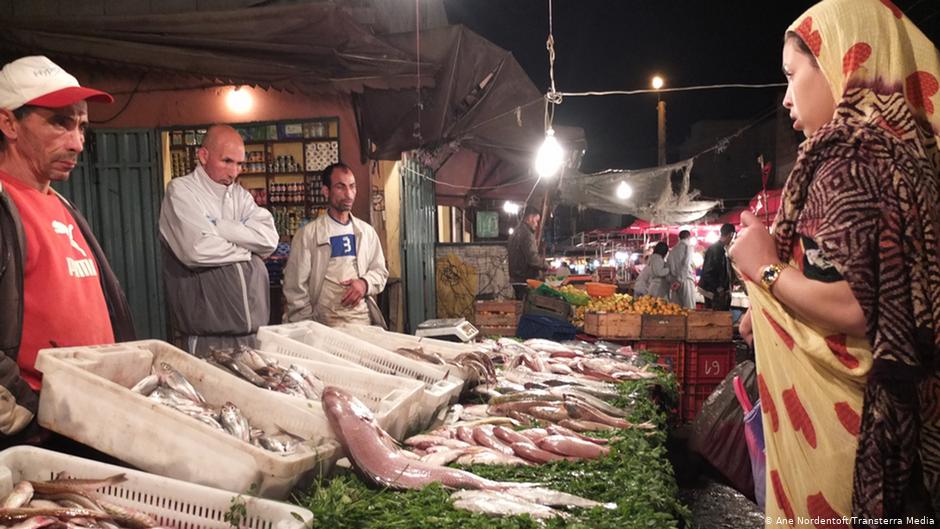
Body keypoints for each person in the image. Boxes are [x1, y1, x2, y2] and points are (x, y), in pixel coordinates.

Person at [729, 0, 939, 522]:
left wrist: (765, 269)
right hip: (907, 432)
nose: (785, 98)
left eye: (792, 74)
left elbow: (857, 308)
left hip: (855, 437)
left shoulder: (850, 156)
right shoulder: (913, 155)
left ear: (841, 63)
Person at [0, 56, 135, 439]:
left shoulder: (62, 204)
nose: (77, 143)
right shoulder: (4, 204)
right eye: (60, 122)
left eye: (81, 126)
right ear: (8, 122)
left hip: (92, 416)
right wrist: (27, 410)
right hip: (40, 427)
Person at [159, 124, 278, 357]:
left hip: (251, 335)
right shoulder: (181, 192)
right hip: (208, 338)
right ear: (203, 156)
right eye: (227, 161)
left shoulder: (240, 196)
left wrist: (221, 228)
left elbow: (269, 239)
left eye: (239, 163)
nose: (234, 172)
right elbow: (197, 249)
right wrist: (249, 253)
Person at [283, 163, 388, 327]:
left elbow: (380, 272)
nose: (349, 194)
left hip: (362, 323)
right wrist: (307, 327)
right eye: (341, 187)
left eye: (352, 187)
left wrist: (364, 283)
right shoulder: (308, 235)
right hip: (324, 324)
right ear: (326, 191)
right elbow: (295, 287)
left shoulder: (366, 232)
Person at [507, 206, 546, 300]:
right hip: (526, 279)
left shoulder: (515, 232)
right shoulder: (527, 234)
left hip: (516, 279)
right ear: (530, 218)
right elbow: (533, 259)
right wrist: (545, 265)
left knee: (521, 306)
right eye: (536, 221)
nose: (537, 225)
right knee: (528, 308)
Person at [699, 223, 736, 310]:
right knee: (717, 318)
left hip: (718, 290)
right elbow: (707, 272)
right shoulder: (716, 249)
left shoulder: (723, 249)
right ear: (731, 234)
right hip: (713, 292)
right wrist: (719, 288)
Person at [666, 230, 696, 309]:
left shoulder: (673, 250)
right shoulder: (688, 247)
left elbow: (668, 266)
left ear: (679, 238)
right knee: (689, 308)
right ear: (689, 237)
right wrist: (680, 280)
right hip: (685, 279)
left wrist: (674, 281)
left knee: (677, 309)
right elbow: (686, 264)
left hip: (675, 281)